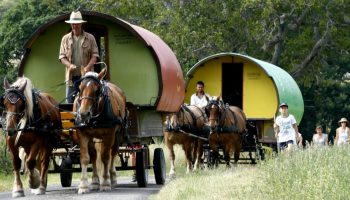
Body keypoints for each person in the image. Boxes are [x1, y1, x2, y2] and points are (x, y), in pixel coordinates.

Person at [59, 11, 99, 103]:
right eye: (72, 24)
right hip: (71, 78)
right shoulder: (65, 39)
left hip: (87, 77)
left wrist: (87, 68)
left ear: (81, 24)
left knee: (87, 102)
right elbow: (62, 57)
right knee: (70, 103)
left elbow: (95, 56)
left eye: (76, 24)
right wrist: (69, 65)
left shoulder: (90, 38)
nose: (74, 26)